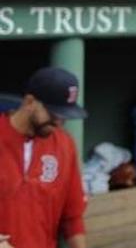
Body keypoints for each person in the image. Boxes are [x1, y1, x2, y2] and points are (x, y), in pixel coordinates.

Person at [0, 67, 88, 248]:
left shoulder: (64, 145)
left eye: (64, 117)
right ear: (30, 102)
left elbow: (72, 218)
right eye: (53, 114)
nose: (59, 122)